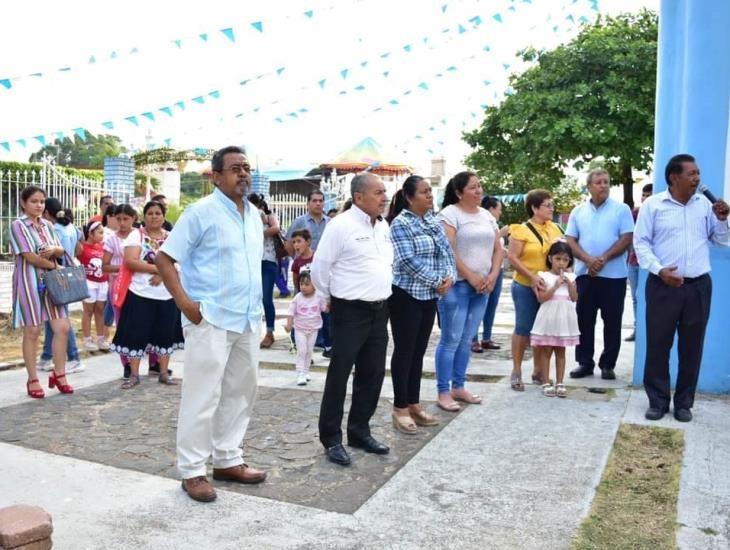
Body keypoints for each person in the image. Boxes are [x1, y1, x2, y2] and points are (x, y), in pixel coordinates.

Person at [156, 145, 267, 503]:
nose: (243, 174)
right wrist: (186, 304)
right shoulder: (200, 212)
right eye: (235, 168)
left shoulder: (253, 214)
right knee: (202, 396)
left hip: (247, 319)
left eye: (247, 168)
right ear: (216, 176)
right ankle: (192, 470)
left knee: (240, 392)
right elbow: (164, 258)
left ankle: (227, 459)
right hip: (211, 319)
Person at [634, 154, 730, 422]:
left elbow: (721, 241)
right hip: (663, 286)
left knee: (692, 346)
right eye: (692, 174)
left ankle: (685, 403)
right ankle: (658, 401)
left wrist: (722, 220)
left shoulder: (704, 206)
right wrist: (659, 270)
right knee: (658, 344)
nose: (697, 178)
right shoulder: (653, 206)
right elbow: (641, 244)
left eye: (698, 173)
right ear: (674, 178)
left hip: (698, 286)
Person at [311, 172, 393, 466]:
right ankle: (331, 438)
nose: (384, 197)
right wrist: (330, 295)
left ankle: (359, 431)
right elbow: (320, 267)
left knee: (372, 373)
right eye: (378, 192)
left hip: (379, 309)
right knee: (340, 373)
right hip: (350, 310)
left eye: (384, 192)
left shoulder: (382, 225)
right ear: (359, 197)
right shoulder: (341, 225)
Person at [387, 175, 455, 433]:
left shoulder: (432, 221)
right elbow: (406, 260)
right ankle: (400, 407)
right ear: (409, 197)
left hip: (430, 295)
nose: (430, 195)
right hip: (406, 295)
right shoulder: (400, 224)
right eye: (424, 192)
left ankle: (414, 402)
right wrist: (437, 280)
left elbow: (447, 252)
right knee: (404, 351)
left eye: (430, 191)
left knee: (418, 351)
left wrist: (449, 278)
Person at [435, 171, 503, 411]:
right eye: (473, 187)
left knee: (466, 340)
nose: (479, 191)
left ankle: (459, 385)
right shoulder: (450, 215)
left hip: (483, 287)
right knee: (451, 340)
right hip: (457, 286)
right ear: (458, 192)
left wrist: (493, 275)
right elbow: (448, 250)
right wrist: (471, 276)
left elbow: (498, 249)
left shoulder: (486, 216)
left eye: (480, 186)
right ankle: (443, 391)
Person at [565, 170, 634, 381]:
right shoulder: (578, 211)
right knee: (584, 320)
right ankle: (584, 363)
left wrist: (602, 259)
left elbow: (626, 238)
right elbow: (570, 239)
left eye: (606, 182)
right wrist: (588, 260)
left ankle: (608, 364)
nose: (603, 185)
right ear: (589, 186)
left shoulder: (621, 210)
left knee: (612, 321)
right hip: (586, 275)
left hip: (614, 276)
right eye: (598, 182)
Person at [10, 186, 74, 398]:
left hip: (52, 283)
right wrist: (56, 266)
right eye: (34, 201)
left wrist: (56, 251)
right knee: (33, 331)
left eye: (42, 201)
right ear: (23, 203)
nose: (39, 205)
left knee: (62, 327)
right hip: (29, 281)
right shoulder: (18, 225)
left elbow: (60, 249)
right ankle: (33, 378)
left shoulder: (48, 225)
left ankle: (60, 373)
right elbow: (29, 256)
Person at [110, 200, 182, 389]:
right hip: (140, 293)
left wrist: (163, 273)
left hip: (166, 294)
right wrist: (158, 270)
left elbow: (180, 262)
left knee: (166, 334)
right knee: (135, 333)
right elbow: (131, 261)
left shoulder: (172, 237)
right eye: (150, 213)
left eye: (158, 213)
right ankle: (134, 374)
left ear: (163, 216)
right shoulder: (137, 235)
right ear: (144, 216)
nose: (154, 216)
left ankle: (164, 372)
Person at [506, 189, 565, 391]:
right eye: (547, 205)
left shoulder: (555, 228)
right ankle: (516, 371)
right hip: (525, 284)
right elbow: (512, 257)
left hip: (548, 286)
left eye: (551, 204)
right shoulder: (521, 230)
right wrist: (532, 277)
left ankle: (539, 371)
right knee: (523, 328)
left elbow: (562, 253)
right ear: (534, 207)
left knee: (543, 329)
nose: (551, 208)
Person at [37, 198, 83, 374]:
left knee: (60, 320)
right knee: (54, 319)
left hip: (56, 275)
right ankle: (47, 356)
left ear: (47, 213)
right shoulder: (70, 227)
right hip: (66, 274)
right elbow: (79, 247)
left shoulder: (54, 229)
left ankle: (73, 357)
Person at [286, 189, 332, 356]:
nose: (318, 203)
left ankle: (325, 342)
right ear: (308, 203)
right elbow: (288, 243)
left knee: (324, 306)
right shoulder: (300, 222)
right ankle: (299, 341)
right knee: (302, 304)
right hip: (305, 271)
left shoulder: (330, 222)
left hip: (324, 272)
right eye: (314, 200)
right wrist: (297, 259)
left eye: (321, 200)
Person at [531, 241, 580, 398]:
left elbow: (574, 298)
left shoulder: (572, 277)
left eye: (565, 260)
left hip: (564, 319)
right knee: (546, 350)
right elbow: (542, 299)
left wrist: (570, 285)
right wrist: (555, 286)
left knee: (561, 351)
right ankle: (545, 381)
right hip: (548, 317)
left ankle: (560, 382)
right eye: (558, 258)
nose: (561, 263)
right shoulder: (543, 276)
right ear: (551, 258)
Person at [103, 204, 138, 379]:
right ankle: (126, 363)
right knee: (122, 324)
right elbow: (105, 266)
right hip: (118, 287)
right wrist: (126, 266)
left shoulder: (140, 236)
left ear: (134, 219)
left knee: (141, 323)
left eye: (126, 219)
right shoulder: (111, 239)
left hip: (139, 285)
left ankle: (153, 360)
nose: (122, 223)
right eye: (119, 219)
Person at [472, 196, 509, 353]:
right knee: (478, 305)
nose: (500, 213)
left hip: (497, 270)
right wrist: (500, 234)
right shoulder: (479, 226)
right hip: (483, 270)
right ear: (491, 209)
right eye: (499, 209)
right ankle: (473, 339)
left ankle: (486, 337)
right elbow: (484, 246)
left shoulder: (493, 226)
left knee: (492, 305)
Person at [248, 193, 281, 349]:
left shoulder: (268, 217)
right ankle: (250, 332)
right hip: (250, 262)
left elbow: (276, 228)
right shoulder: (245, 219)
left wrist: (258, 232)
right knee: (251, 298)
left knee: (266, 298)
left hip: (267, 261)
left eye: (257, 205)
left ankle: (269, 332)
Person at [285, 271, 328, 385]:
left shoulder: (319, 296)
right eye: (301, 284)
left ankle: (306, 371)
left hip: (313, 329)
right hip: (300, 329)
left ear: (315, 285)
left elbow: (325, 309)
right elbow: (290, 312)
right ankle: (300, 373)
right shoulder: (297, 298)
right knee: (302, 351)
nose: (303, 287)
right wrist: (289, 325)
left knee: (309, 351)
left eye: (307, 284)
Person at [625, 183, 653, 342]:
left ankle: (645, 329)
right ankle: (637, 329)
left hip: (648, 264)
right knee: (635, 296)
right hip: (633, 262)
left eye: (649, 195)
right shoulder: (635, 213)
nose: (645, 198)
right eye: (644, 195)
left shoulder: (656, 212)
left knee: (646, 297)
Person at [77, 221, 110, 352]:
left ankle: (101, 338)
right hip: (89, 282)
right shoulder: (82, 248)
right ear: (90, 233)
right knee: (88, 310)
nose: (102, 235)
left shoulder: (103, 247)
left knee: (100, 310)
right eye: (100, 232)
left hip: (103, 282)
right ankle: (87, 339)